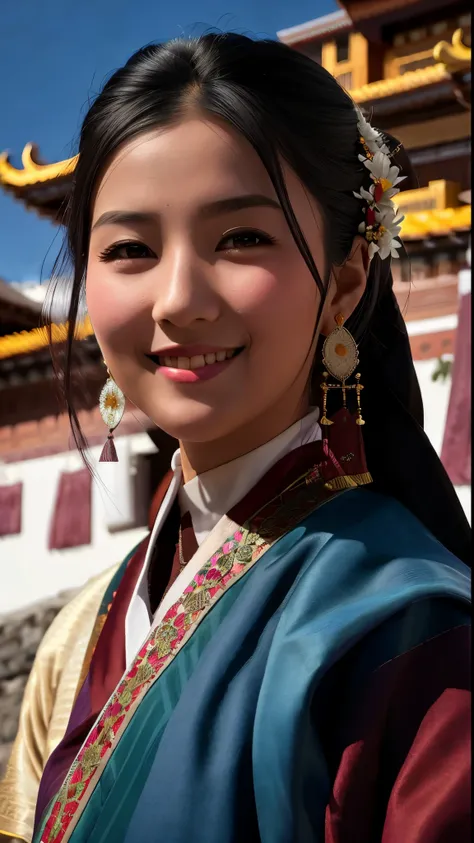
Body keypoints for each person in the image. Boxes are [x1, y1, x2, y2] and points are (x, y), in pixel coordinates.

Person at [0, 32, 470, 843]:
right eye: (129, 250)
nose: (177, 299)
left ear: (346, 280)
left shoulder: (413, 633)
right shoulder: (80, 634)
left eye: (242, 238)